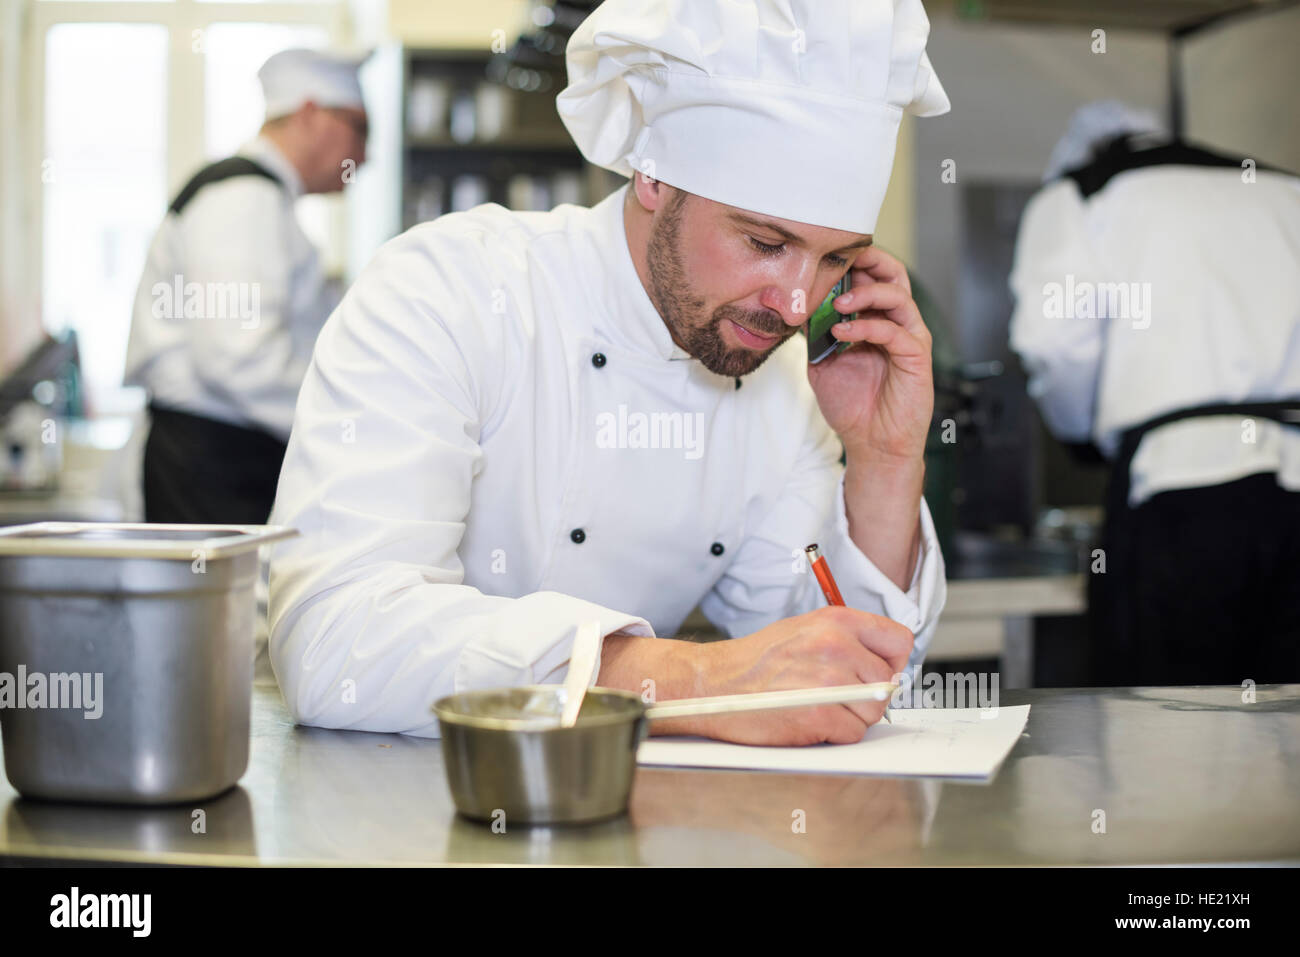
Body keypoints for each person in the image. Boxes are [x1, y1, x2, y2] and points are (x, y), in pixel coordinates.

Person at [267, 0, 951, 744]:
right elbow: (336, 640)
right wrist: (696, 679)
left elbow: (838, 678)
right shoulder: (452, 291)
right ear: (652, 176)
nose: (794, 306)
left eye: (836, 260)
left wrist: (884, 459)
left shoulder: (783, 393)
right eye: (763, 242)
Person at [1009, 100, 1300, 686]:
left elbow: (1054, 342)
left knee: (1172, 735)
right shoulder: (1283, 189)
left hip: (1182, 491)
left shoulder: (1080, 194)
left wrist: (1080, 436)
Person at [125, 48, 370, 524]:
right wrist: (346, 428)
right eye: (360, 128)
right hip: (212, 461)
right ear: (310, 114)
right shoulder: (242, 197)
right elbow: (238, 359)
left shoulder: (263, 200)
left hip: (225, 453)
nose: (365, 155)